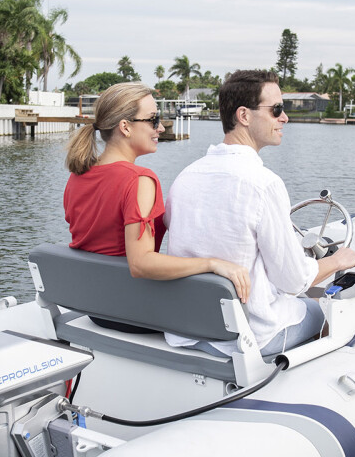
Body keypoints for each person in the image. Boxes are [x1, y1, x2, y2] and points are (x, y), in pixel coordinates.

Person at [165, 69, 355, 356]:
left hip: (187, 330)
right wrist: (336, 261)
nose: (285, 118)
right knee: (328, 311)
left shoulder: (185, 176)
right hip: (248, 336)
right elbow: (294, 282)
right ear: (244, 116)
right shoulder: (264, 184)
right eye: (276, 110)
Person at [63, 82, 250, 302]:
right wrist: (212, 263)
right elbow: (140, 264)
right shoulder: (138, 180)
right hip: (131, 306)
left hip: (93, 302)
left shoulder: (77, 175)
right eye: (153, 120)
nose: (160, 128)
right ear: (125, 127)